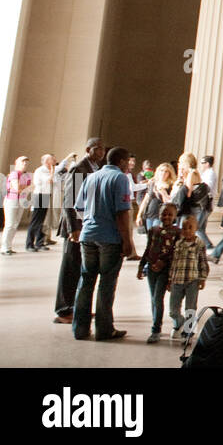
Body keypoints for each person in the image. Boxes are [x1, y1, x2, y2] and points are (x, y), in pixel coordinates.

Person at [72, 145, 137, 341]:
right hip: (110, 238)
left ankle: (80, 329)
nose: (129, 166)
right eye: (128, 161)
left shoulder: (92, 177)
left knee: (85, 282)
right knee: (106, 284)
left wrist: (93, 219)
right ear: (122, 161)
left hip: (88, 236)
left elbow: (79, 206)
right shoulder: (120, 178)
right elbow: (122, 213)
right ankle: (104, 329)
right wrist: (128, 242)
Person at [53, 137, 104, 324]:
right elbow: (69, 200)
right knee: (70, 267)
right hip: (74, 228)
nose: (101, 152)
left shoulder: (95, 168)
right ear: (88, 149)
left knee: (80, 267)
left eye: (102, 149)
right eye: (97, 149)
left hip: (87, 225)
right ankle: (63, 309)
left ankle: (76, 306)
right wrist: (73, 228)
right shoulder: (79, 168)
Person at [136, 202, 180, 342]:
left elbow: (174, 252)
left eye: (169, 214)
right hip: (151, 268)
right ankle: (156, 324)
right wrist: (141, 265)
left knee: (157, 298)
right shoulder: (153, 230)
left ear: (175, 216)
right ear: (159, 214)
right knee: (153, 298)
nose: (166, 216)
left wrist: (163, 263)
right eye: (163, 214)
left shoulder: (177, 232)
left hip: (165, 270)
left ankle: (156, 329)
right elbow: (148, 248)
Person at [168, 214, 210, 337]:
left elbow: (203, 262)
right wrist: (170, 279)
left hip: (192, 280)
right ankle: (179, 322)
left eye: (189, 228)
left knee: (190, 308)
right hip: (177, 280)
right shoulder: (178, 243)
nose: (186, 230)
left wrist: (202, 279)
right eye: (184, 228)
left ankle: (188, 330)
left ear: (195, 229)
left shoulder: (199, 244)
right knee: (173, 310)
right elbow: (173, 262)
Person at [173, 168, 212, 249]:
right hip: (205, 210)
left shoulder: (189, 188)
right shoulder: (205, 186)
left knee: (194, 229)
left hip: (193, 211)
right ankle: (203, 245)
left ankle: (207, 245)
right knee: (199, 229)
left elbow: (185, 200)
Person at [0, 156, 32, 254]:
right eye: (22, 161)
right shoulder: (14, 174)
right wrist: (26, 187)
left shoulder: (26, 176)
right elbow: (17, 188)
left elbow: (31, 189)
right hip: (11, 200)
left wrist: (25, 187)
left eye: (26, 161)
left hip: (21, 200)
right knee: (10, 224)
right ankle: (4, 247)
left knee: (15, 224)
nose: (25, 163)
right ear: (17, 163)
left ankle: (9, 246)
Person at [26, 154, 57, 251]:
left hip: (46, 196)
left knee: (42, 221)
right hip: (39, 196)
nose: (55, 160)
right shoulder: (40, 170)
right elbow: (49, 180)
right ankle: (29, 244)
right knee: (35, 221)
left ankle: (40, 242)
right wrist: (52, 171)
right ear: (47, 161)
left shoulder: (49, 170)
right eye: (52, 159)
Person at [137, 163, 176, 233]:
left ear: (169, 173)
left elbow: (168, 201)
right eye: (162, 170)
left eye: (166, 171)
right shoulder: (153, 183)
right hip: (149, 214)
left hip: (161, 215)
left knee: (156, 235)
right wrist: (139, 215)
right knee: (149, 236)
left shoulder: (170, 185)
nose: (163, 173)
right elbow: (146, 200)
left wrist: (162, 191)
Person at [198, 155, 217, 231]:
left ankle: (208, 243)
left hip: (205, 203)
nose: (201, 164)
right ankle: (204, 243)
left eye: (202, 163)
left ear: (207, 164)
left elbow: (207, 186)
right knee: (201, 228)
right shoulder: (207, 173)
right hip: (205, 203)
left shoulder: (210, 173)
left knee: (197, 228)